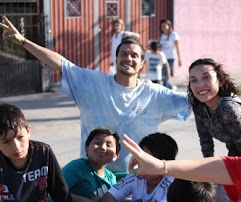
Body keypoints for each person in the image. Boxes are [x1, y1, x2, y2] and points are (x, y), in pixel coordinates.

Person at [0, 16, 191, 173]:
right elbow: (60, 63)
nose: (128, 58)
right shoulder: (93, 83)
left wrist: (212, 85)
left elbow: (194, 101)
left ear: (142, 64)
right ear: (116, 59)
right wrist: (23, 42)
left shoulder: (155, 93)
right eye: (123, 54)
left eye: (134, 55)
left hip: (136, 177)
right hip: (93, 174)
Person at [0, 103, 81, 202]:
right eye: (6, 142)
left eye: (20, 137)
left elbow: (58, 188)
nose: (16, 147)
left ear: (28, 130)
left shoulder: (43, 152)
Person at [50, 127, 120, 202]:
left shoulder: (112, 179)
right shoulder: (77, 167)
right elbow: (55, 192)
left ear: (116, 155)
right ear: (86, 148)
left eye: (109, 144)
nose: (103, 147)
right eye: (97, 143)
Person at [100, 132, 177, 202]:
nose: (142, 165)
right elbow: (109, 197)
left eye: (148, 161)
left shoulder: (172, 185)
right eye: (141, 159)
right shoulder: (136, 176)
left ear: (165, 163)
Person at [159, 19, 181, 90]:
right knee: (162, 73)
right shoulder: (162, 36)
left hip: (170, 57)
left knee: (167, 74)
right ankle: (169, 86)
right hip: (162, 58)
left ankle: (166, 88)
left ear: (169, 26)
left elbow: (177, 47)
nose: (163, 28)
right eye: (162, 26)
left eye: (165, 25)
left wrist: (179, 59)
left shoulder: (173, 35)